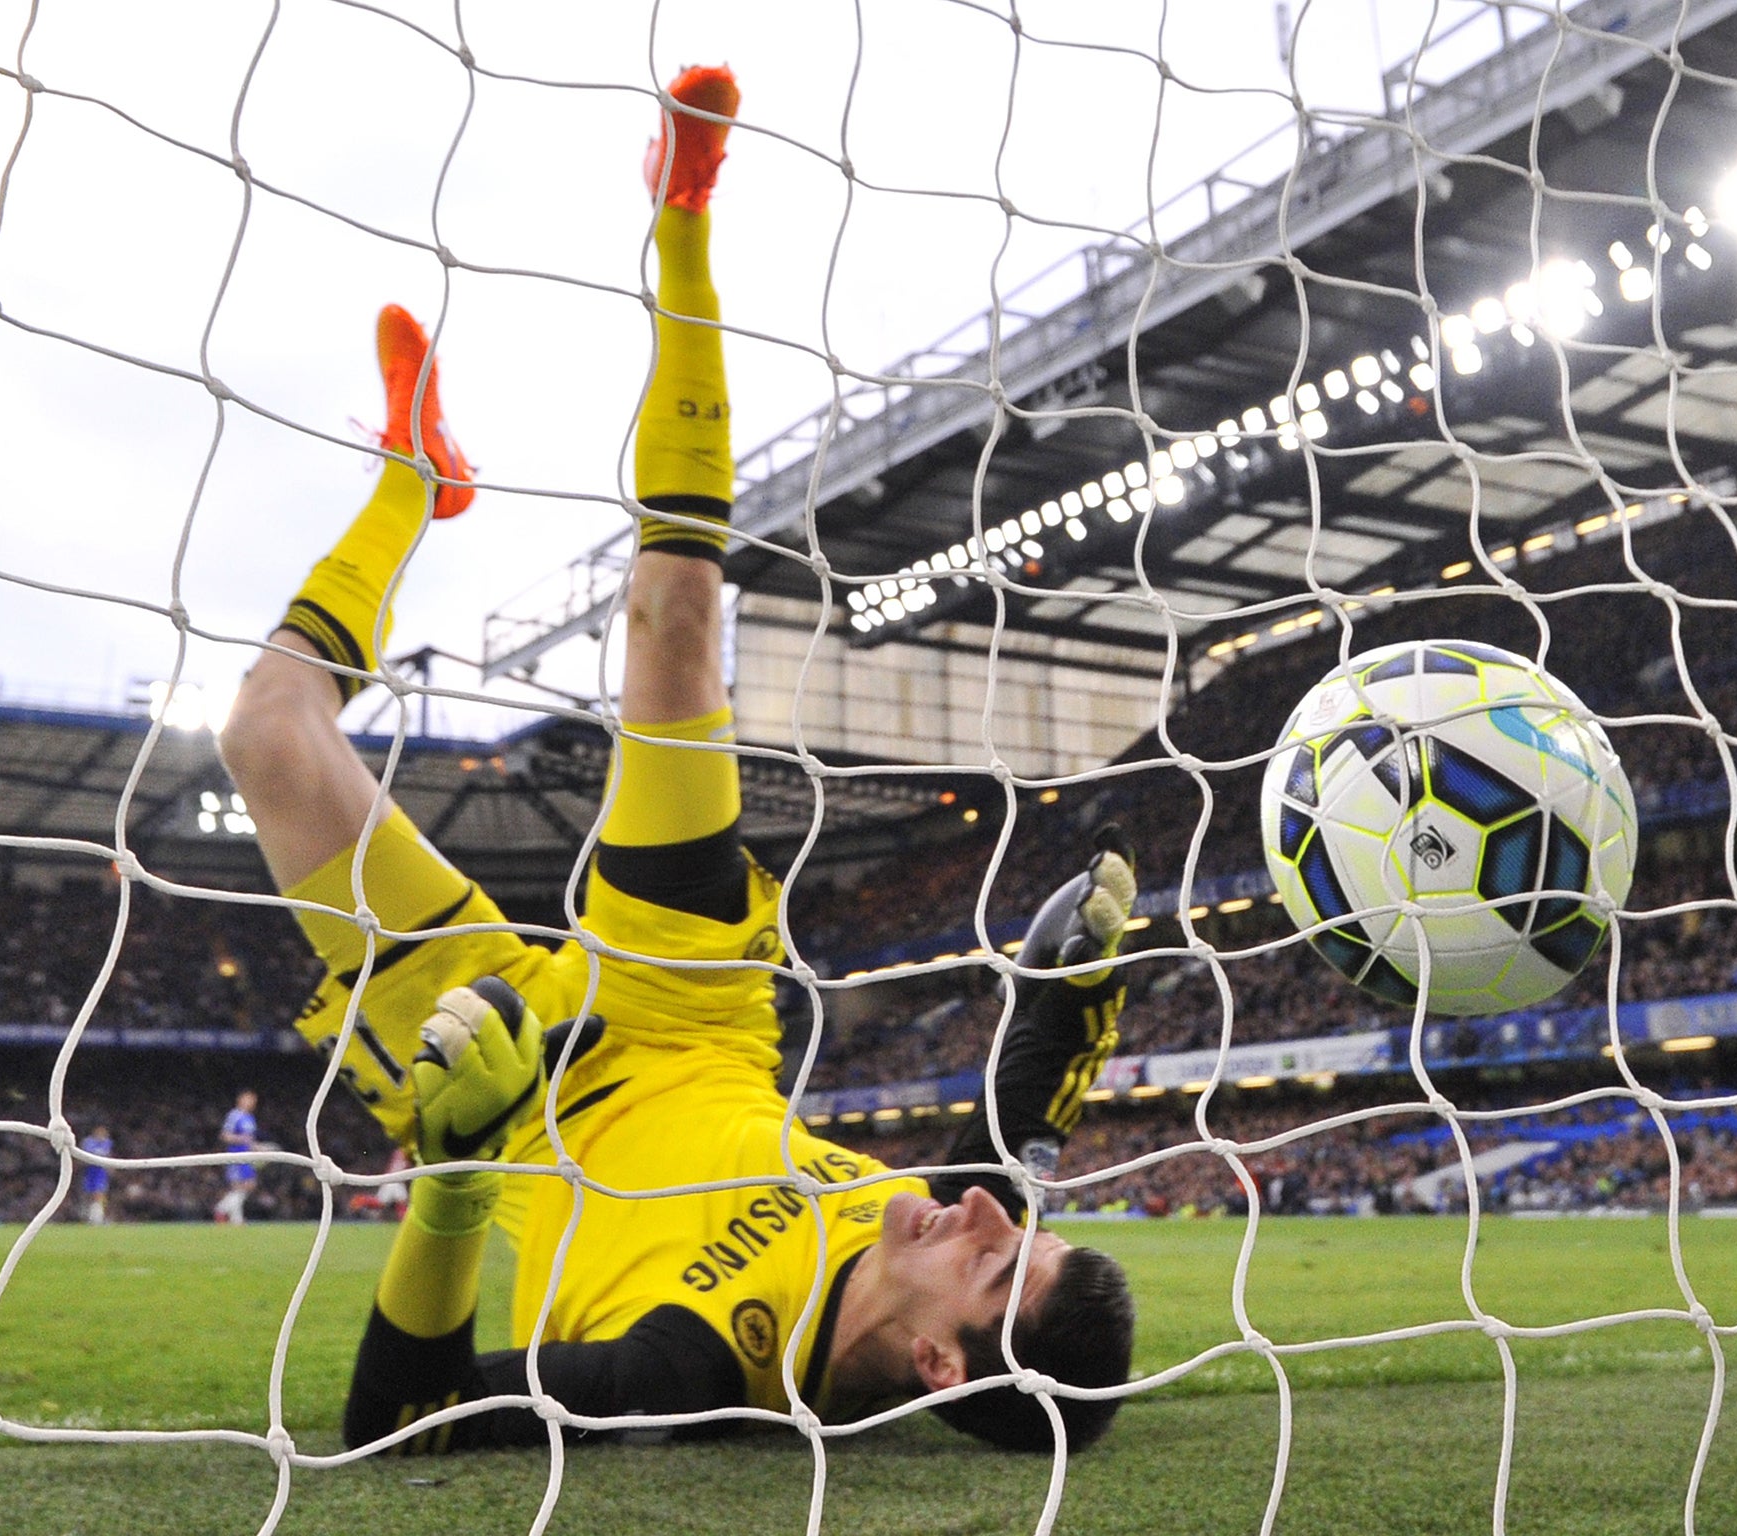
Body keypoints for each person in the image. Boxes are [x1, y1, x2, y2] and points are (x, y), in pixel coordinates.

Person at [218, 65, 1137, 1456]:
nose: (988, 1216)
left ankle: (412, 487)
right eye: (1022, 1229)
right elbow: (1021, 1118)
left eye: (1002, 1263)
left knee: (269, 737)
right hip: (689, 1005)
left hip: (509, 1093)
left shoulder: (691, 1368)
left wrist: (455, 1176)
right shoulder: (940, 1220)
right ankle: (684, 216)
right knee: (676, 621)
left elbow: (402, 1427)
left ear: (942, 1364)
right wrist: (1076, 980)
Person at [216, 1090, 259, 1224]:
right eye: (248, 1099)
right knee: (244, 1186)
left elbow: (250, 1140)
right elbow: (225, 1135)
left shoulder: (250, 1118)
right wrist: (242, 1139)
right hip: (235, 1155)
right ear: (240, 1100)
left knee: (242, 1187)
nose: (251, 1102)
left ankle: (236, 1220)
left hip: (247, 1156)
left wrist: (256, 1147)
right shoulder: (234, 1116)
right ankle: (221, 1209)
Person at [80, 1123, 113, 1225]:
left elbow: (108, 1155)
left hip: (101, 1172)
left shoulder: (107, 1142)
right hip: (89, 1171)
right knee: (88, 1195)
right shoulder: (88, 1142)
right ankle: (87, 1217)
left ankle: (98, 1218)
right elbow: (86, 1155)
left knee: (99, 1194)